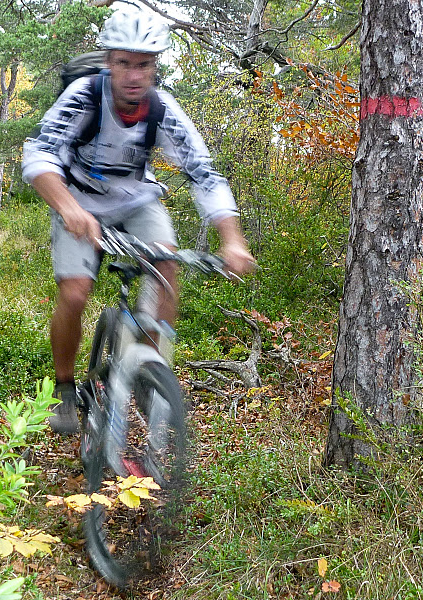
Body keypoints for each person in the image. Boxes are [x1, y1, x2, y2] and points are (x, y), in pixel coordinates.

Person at [22, 9, 254, 435]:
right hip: (77, 199)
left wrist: (232, 240)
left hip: (137, 200)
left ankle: (148, 369)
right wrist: (69, 208)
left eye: (143, 64)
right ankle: (65, 389)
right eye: (125, 62)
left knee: (166, 267)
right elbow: (39, 155)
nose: (133, 74)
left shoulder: (163, 109)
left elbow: (203, 173)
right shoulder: (83, 96)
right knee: (75, 294)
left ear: (155, 67)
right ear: (109, 61)